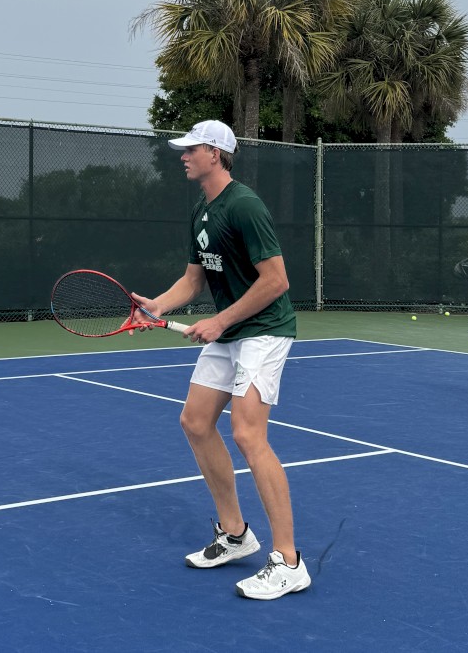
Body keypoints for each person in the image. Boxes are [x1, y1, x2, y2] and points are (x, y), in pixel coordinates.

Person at [132, 119, 309, 601]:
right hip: (231, 331)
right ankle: (235, 535)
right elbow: (193, 279)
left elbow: (276, 281)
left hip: (265, 331)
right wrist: (159, 305)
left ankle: (288, 561)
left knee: (249, 433)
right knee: (194, 422)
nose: (184, 156)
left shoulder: (245, 206)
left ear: (216, 153)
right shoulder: (201, 211)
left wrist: (219, 322)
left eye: (192, 149)